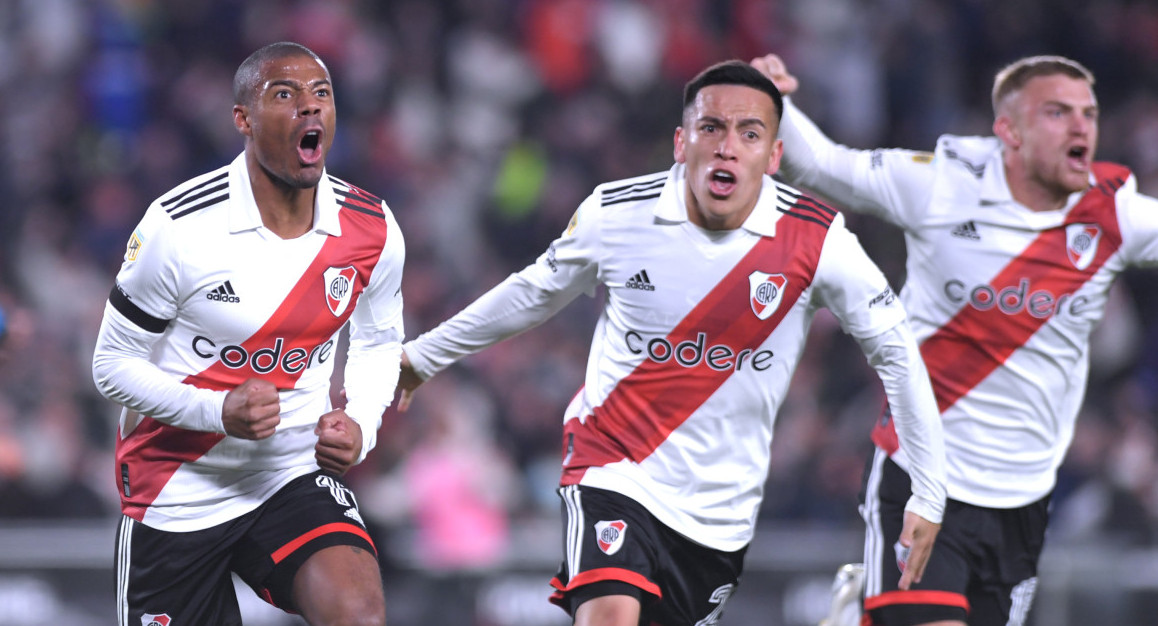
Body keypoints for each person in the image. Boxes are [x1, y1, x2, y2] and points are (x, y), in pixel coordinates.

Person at [397, 60, 947, 626]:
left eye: (750, 133)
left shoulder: (818, 239)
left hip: (720, 515)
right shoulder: (617, 213)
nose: (728, 147)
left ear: (775, 155)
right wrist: (422, 356)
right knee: (609, 613)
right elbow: (533, 294)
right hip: (613, 468)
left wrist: (929, 494)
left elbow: (899, 356)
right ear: (682, 143)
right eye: (712, 128)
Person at [752, 52, 1158, 626]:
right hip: (922, 482)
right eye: (1057, 113)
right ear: (1009, 130)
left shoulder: (1116, 216)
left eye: (1088, 114)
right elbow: (820, 165)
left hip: (1022, 500)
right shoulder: (941, 183)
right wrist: (772, 99)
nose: (1081, 127)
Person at [91, 41, 405, 626]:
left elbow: (380, 340)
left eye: (321, 94)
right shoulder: (179, 227)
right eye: (284, 94)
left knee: (359, 615)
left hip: (289, 472)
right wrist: (218, 412)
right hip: (176, 488)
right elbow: (111, 365)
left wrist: (362, 420)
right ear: (243, 119)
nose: (309, 108)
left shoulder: (372, 229)